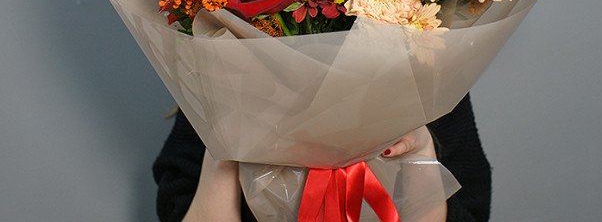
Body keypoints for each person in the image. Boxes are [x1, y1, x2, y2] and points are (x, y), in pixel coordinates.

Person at [153, 93, 491, 221]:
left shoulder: (429, 75)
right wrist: (225, 138)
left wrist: (419, 149)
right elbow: (182, 203)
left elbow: (467, 208)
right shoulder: (221, 77)